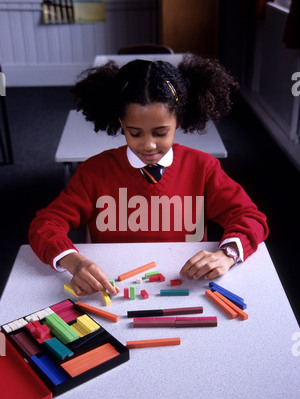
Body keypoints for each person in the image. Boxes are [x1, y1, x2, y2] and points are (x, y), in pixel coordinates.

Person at [29, 54, 268, 297]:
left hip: (185, 289)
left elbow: (250, 217)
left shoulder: (203, 168)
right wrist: (74, 261)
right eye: (135, 133)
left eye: (160, 132)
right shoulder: (94, 172)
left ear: (179, 120)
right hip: (116, 291)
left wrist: (226, 255)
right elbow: (45, 225)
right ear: (121, 123)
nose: (149, 145)